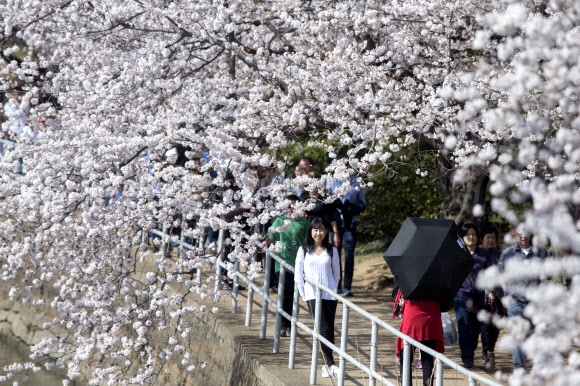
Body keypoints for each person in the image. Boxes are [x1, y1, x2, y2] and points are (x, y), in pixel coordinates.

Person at [295, 217, 340, 379]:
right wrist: (304, 293)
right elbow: (298, 274)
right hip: (312, 294)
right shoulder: (304, 249)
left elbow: (336, 273)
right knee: (323, 328)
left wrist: (334, 291)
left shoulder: (331, 250)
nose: (318, 233)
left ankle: (326, 365)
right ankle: (331, 364)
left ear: (326, 231)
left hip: (330, 294)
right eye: (315, 229)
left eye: (321, 230)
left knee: (329, 327)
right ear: (311, 231)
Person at [498, 225, 548, 371]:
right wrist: (506, 291)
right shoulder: (508, 253)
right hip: (515, 301)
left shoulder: (541, 252)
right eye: (519, 233)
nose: (523, 236)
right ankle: (519, 367)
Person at [262, 194, 309, 337]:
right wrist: (265, 242)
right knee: (284, 295)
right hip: (282, 262)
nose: (290, 207)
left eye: (293, 204)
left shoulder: (304, 223)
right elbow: (272, 236)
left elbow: (308, 243)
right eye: (288, 204)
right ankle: (284, 325)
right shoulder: (279, 221)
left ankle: (292, 322)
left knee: (295, 295)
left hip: (298, 263)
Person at [454, 223, 491, 368]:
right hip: (461, 295)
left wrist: (491, 291)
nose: (471, 237)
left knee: (475, 329)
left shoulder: (483, 254)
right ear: (462, 237)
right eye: (467, 234)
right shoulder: (457, 254)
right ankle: (467, 358)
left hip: (478, 297)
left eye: (473, 234)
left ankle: (471, 350)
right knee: (464, 327)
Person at [329, 175, 366, 296]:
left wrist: (352, 207)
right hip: (336, 222)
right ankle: (337, 284)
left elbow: (362, 202)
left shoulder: (357, 181)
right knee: (335, 253)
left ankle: (348, 286)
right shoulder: (331, 180)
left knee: (349, 254)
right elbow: (327, 200)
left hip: (350, 222)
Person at [395, 298, 444, 386]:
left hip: (412, 318)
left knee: (405, 358)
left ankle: (406, 384)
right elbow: (445, 305)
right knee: (427, 360)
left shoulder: (410, 285)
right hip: (431, 320)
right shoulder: (438, 285)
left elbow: (400, 306)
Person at [479, 224, 504, 369]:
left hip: (498, 297)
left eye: (493, 238)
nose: (491, 240)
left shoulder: (500, 255)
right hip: (482, 296)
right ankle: (487, 352)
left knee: (495, 325)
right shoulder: (479, 254)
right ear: (482, 239)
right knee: (485, 325)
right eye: (488, 238)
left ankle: (489, 349)